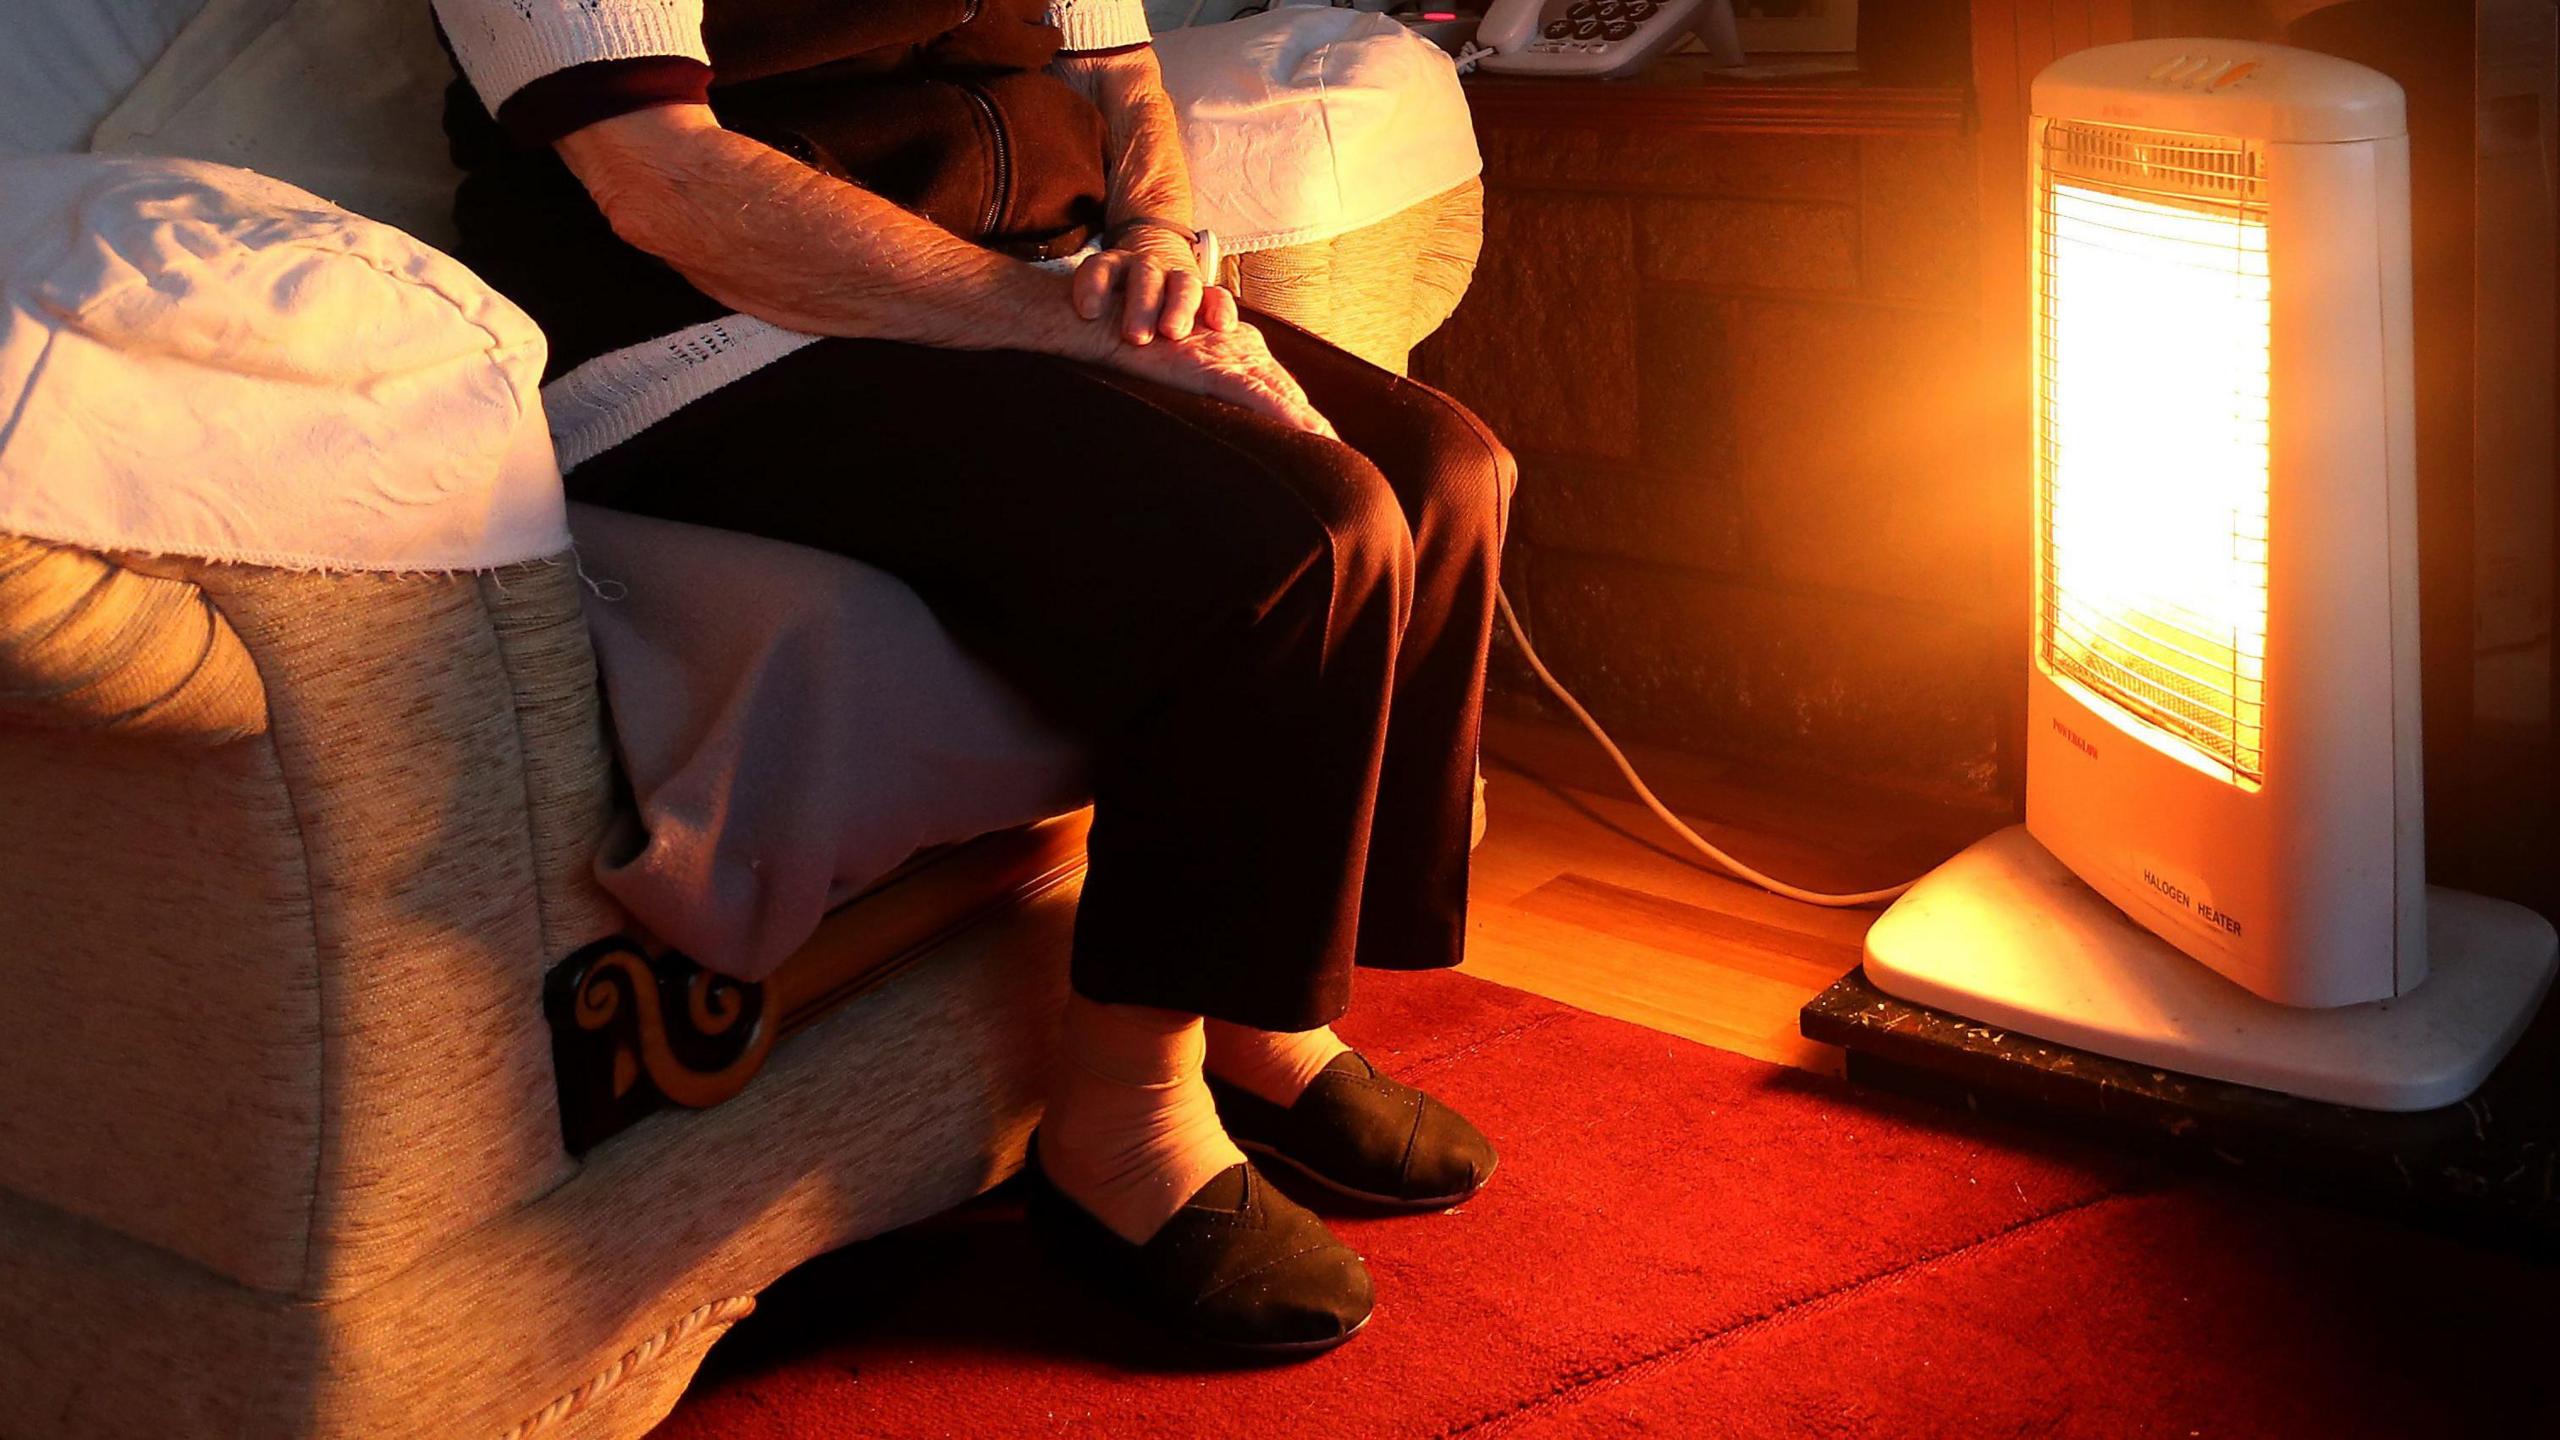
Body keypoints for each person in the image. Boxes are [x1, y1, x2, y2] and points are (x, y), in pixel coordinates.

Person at [431, 0, 1515, 1355]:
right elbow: (664, 179)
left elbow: (1115, 73)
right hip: (722, 341)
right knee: (1301, 536)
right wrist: (1057, 320)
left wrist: (1155, 247)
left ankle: (1258, 1010)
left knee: (1445, 474)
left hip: (1026, 283)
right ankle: (1122, 1123)